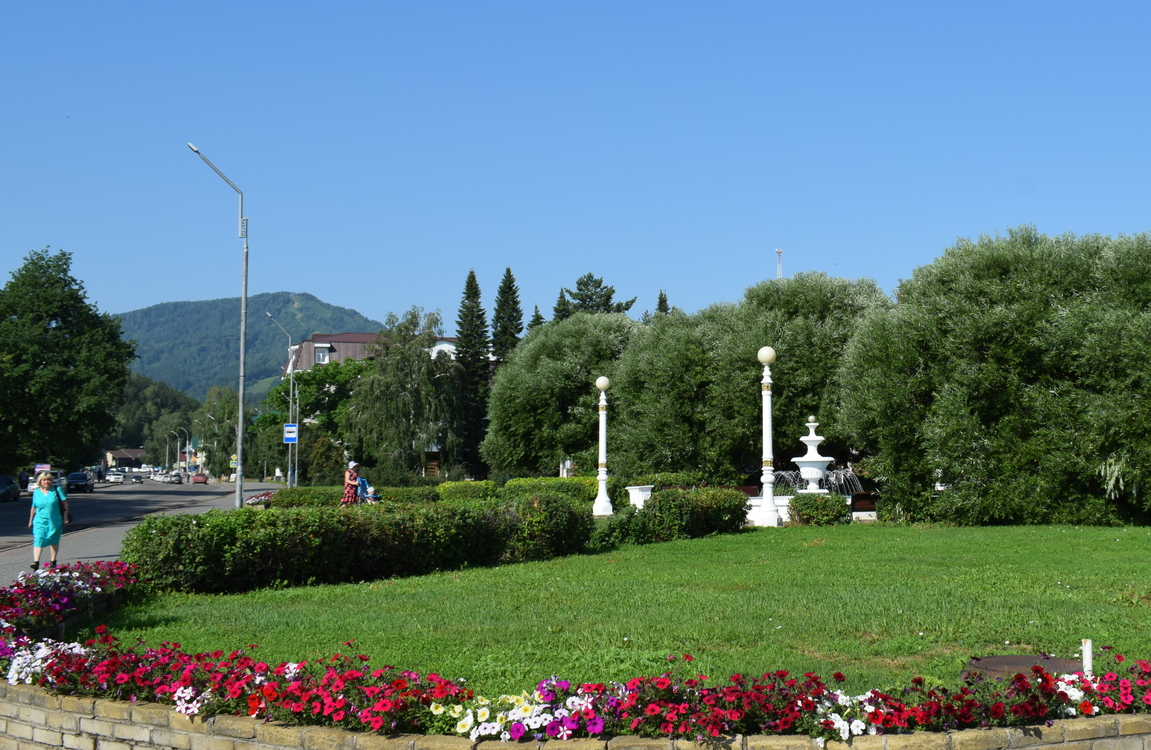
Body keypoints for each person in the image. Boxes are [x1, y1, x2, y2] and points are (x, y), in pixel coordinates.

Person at [28, 471, 69, 570]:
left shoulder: (57, 490)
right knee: (38, 539)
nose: (46, 482)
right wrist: (30, 520)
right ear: (40, 481)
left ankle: (53, 561)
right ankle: (36, 562)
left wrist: (65, 518)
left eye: (49, 480)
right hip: (39, 521)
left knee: (54, 540)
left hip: (54, 520)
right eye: (44, 480)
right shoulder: (37, 492)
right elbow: (33, 507)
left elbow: (65, 504)